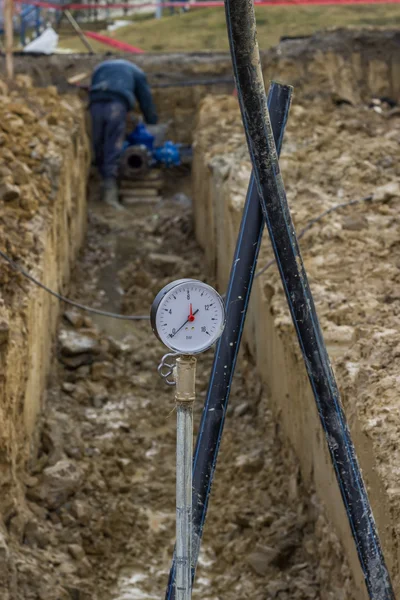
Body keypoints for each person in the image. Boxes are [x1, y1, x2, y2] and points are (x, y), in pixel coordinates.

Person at [89, 59, 158, 209]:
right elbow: (146, 99)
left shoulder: (100, 68)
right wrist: (152, 122)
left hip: (95, 104)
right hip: (116, 105)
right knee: (113, 143)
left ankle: (100, 183)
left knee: (98, 141)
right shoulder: (137, 73)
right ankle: (110, 193)